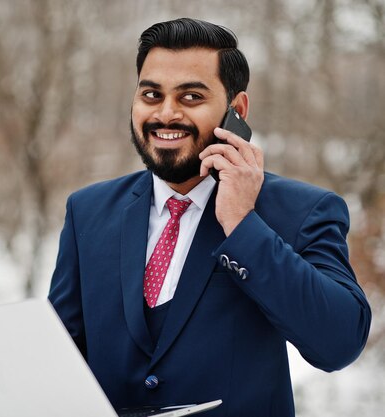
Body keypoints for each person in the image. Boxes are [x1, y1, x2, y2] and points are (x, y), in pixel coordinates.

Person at [48, 18, 371, 416]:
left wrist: (243, 224)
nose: (166, 114)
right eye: (151, 94)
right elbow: (59, 358)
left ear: (237, 110)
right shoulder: (88, 210)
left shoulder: (303, 211)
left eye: (190, 97)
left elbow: (338, 343)